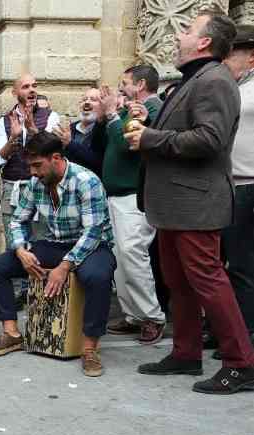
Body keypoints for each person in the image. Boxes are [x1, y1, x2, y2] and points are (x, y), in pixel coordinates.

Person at [125, 11, 254, 394]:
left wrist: (150, 138)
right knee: (177, 282)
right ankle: (186, 353)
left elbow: (209, 140)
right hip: (174, 205)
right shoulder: (196, 79)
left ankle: (242, 363)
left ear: (203, 42)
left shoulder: (214, 80)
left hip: (195, 204)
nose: (179, 33)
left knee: (210, 283)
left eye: (187, 28)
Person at [0, 131, 115, 377]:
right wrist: (21, 250)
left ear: (56, 158)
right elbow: (17, 221)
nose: (33, 172)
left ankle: (89, 349)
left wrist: (64, 267)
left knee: (97, 277)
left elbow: (93, 232)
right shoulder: (36, 183)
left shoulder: (87, 181)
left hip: (94, 246)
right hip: (56, 243)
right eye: (30, 166)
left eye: (37, 165)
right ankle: (12, 333)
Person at [99, 65, 167, 344]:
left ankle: (152, 316)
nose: (121, 88)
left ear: (140, 84)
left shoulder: (150, 108)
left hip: (133, 195)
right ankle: (133, 315)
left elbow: (128, 143)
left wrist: (114, 114)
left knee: (133, 253)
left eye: (125, 83)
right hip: (116, 196)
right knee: (120, 257)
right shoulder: (133, 108)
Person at [218, 25, 254, 356]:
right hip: (233, 185)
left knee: (242, 267)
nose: (226, 60)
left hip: (249, 185)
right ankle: (232, 333)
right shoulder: (238, 86)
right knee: (232, 264)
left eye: (232, 53)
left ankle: (247, 342)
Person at [0, 74, 62, 246]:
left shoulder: (51, 116)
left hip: (41, 186)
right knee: (14, 245)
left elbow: (50, 152)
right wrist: (13, 138)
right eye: (25, 87)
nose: (32, 90)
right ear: (14, 92)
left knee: (41, 243)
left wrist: (32, 130)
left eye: (34, 86)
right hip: (12, 188)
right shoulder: (4, 121)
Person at [53, 88, 107, 177]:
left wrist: (70, 144)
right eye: (84, 99)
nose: (87, 102)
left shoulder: (105, 130)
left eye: (93, 100)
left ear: (103, 106)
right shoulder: (70, 129)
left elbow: (99, 162)